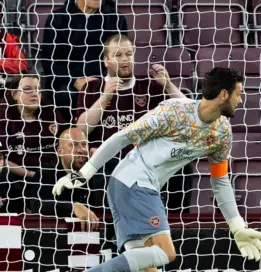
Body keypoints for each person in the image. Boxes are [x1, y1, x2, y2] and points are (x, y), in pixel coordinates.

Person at [52, 67, 261, 272]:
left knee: (147, 269)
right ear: (223, 94)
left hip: (134, 187)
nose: (241, 99)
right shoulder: (175, 112)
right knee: (166, 253)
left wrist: (237, 227)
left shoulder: (221, 133)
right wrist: (84, 173)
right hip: (133, 181)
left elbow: (220, 181)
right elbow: (123, 137)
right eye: (239, 94)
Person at [75, 33, 192, 213]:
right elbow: (81, 129)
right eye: (118, 55)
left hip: (146, 160)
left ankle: (177, 222)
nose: (124, 60)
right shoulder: (92, 87)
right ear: (106, 61)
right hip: (108, 160)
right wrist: (106, 96)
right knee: (105, 161)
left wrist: (168, 85)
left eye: (128, 54)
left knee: (183, 162)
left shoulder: (150, 86)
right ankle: (108, 225)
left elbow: (190, 113)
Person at [39, 0, 128, 123]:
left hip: (103, 79)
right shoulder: (58, 18)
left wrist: (102, 81)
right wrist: (74, 80)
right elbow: (49, 60)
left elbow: (121, 57)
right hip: (67, 82)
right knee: (65, 95)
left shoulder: (116, 19)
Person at [0, 74, 67, 213]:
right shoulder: (3, 117)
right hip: (17, 175)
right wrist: (30, 174)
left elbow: (66, 142)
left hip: (50, 174)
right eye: (27, 89)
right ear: (14, 94)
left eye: (37, 89)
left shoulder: (51, 113)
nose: (34, 94)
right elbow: (2, 160)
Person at [29, 128, 102, 230]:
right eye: (74, 145)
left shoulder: (96, 173)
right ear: (60, 152)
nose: (81, 150)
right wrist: (73, 207)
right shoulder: (47, 172)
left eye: (84, 144)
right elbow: (37, 205)